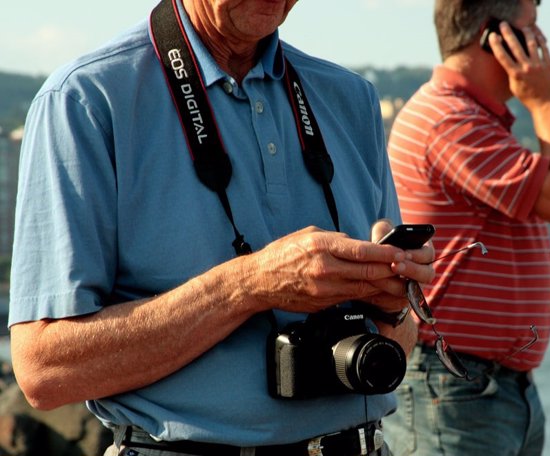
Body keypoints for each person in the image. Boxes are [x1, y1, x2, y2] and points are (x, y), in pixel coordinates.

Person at [8, 0, 436, 455]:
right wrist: (249, 285)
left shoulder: (352, 98)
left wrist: (391, 306)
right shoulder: (86, 99)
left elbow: (402, 339)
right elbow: (43, 371)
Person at [382, 0, 550, 454]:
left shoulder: (473, 119)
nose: (543, 43)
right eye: (532, 27)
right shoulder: (450, 120)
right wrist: (547, 101)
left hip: (482, 390)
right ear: (495, 35)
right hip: (456, 391)